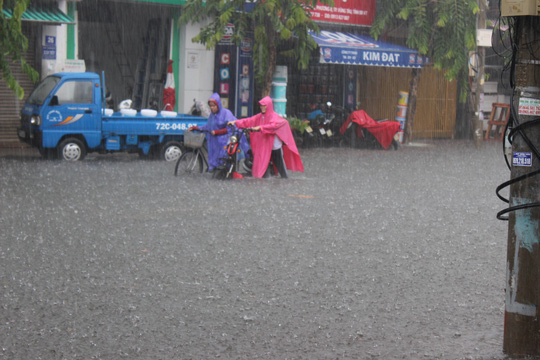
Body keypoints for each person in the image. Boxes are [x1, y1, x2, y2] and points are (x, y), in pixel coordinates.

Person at [227, 96, 303, 178]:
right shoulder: (259, 116)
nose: (262, 107)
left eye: (264, 105)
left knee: (280, 165)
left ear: (269, 106)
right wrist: (235, 122)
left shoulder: (274, 116)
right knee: (261, 163)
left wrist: (260, 127)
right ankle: (263, 178)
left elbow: (273, 125)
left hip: (274, 146)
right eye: (261, 106)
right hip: (264, 144)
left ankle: (284, 179)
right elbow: (249, 121)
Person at [189, 93, 238, 172]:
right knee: (214, 156)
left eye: (214, 106)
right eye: (210, 106)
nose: (212, 108)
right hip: (214, 142)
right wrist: (196, 128)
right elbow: (208, 126)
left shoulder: (226, 113)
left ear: (218, 104)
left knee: (222, 158)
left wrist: (217, 132)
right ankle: (215, 169)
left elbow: (231, 127)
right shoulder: (212, 116)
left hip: (224, 141)